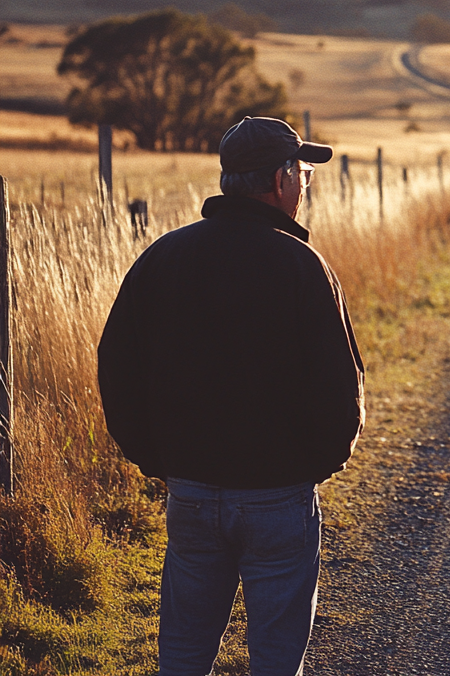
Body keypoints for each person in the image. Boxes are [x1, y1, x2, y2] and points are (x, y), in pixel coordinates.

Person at [98, 116, 365, 676]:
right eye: (302, 174)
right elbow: (341, 390)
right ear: (279, 179)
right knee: (274, 656)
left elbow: (116, 368)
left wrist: (160, 460)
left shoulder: (163, 258)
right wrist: (313, 467)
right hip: (279, 498)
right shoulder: (303, 267)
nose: (303, 187)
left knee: (185, 654)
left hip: (191, 494)